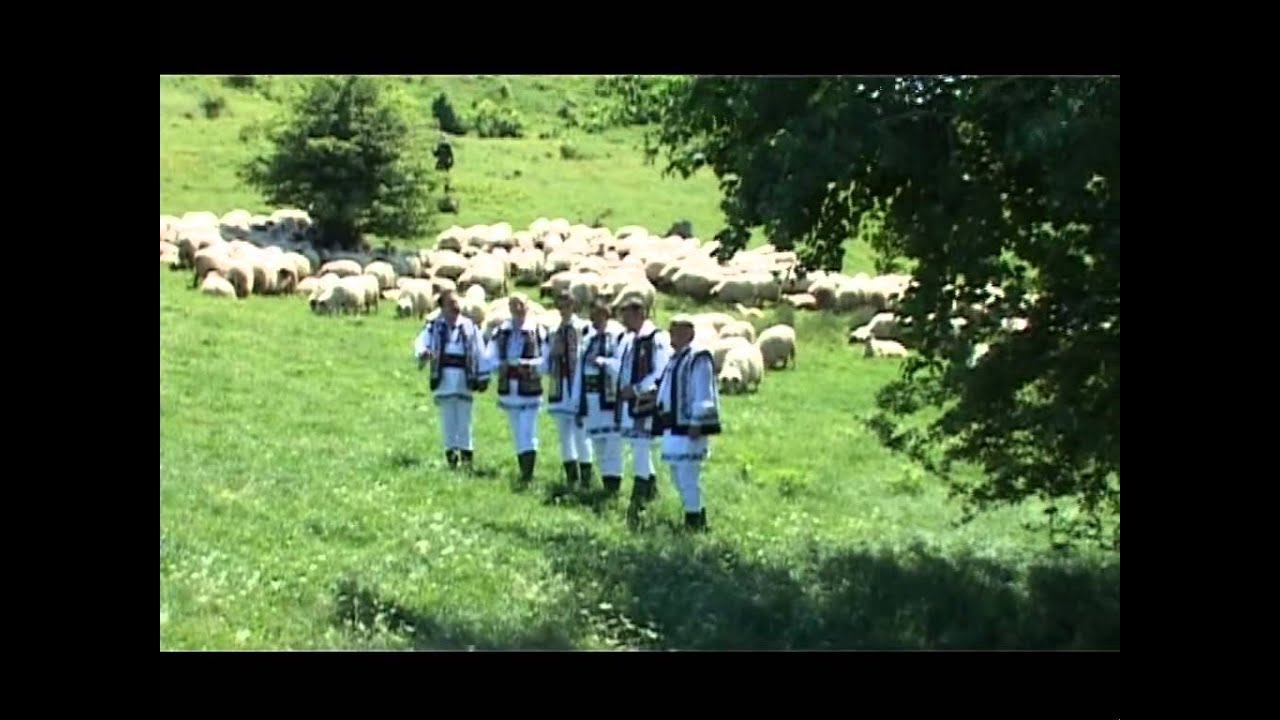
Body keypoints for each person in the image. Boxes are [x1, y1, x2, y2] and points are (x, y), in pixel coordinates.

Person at [602, 297, 671, 515]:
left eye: (628, 316)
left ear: (639, 314)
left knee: (641, 447)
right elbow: (623, 366)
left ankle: (638, 498)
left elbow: (660, 369)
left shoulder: (655, 339)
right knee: (636, 446)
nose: (624, 321)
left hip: (645, 402)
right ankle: (650, 491)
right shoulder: (629, 339)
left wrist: (637, 388)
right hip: (629, 403)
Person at [653, 314, 722, 531]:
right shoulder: (674, 358)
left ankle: (695, 521)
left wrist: (697, 420)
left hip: (689, 427)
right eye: (671, 330)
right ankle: (693, 512)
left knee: (687, 473)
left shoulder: (699, 357)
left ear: (689, 333)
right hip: (672, 424)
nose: (672, 334)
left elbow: (703, 390)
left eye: (677, 330)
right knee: (676, 473)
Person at [412, 290, 489, 471]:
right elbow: (421, 343)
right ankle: (452, 460)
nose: (455, 307)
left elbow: (480, 351)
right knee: (448, 421)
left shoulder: (470, 327)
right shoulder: (434, 327)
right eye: (451, 304)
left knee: (464, 420)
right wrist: (423, 353)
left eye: (457, 303)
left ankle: (467, 459)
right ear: (442, 307)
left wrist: (483, 376)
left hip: (464, 378)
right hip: (444, 378)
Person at [484, 293, 548, 485]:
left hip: (529, 389)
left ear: (527, 306)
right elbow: (489, 357)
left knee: (527, 430)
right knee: (517, 431)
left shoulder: (537, 331)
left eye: (520, 304)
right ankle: (523, 470)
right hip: (509, 390)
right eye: (513, 304)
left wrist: (529, 365)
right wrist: (498, 365)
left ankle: (528, 473)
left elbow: (546, 360)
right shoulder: (501, 331)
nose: (516, 308)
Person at [540, 292, 593, 489]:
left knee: (581, 433)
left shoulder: (583, 327)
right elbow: (545, 359)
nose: (564, 310)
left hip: (578, 385)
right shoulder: (553, 330)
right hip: (559, 386)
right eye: (560, 306)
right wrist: (553, 354)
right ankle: (571, 476)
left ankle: (587, 477)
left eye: (567, 305)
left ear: (573, 305)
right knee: (564, 435)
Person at [576, 301, 626, 494]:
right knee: (597, 443)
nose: (594, 319)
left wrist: (600, 361)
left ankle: (614, 486)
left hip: (610, 399)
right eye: (592, 314)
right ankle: (606, 483)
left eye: (598, 315)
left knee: (612, 443)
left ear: (607, 314)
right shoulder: (588, 339)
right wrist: (579, 404)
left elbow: (622, 366)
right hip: (590, 398)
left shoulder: (616, 337)